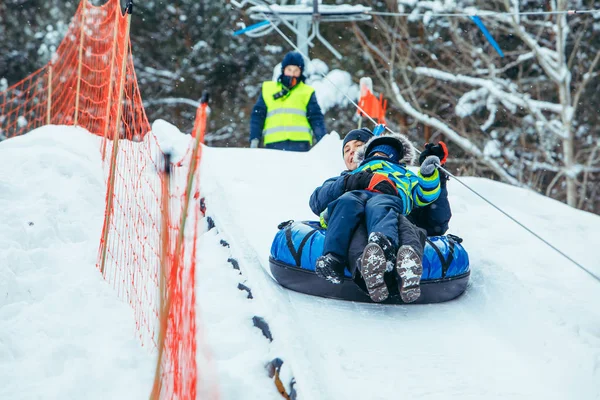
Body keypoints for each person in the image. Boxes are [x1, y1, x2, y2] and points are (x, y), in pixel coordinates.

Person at [310, 132, 442, 303]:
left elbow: (425, 195)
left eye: (357, 146)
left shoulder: (404, 175)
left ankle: (386, 247)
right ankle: (334, 258)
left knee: (383, 209)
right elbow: (319, 200)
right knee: (347, 202)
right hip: (357, 202)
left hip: (388, 202)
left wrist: (429, 175)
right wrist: (347, 188)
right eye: (346, 149)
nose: (351, 152)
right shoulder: (351, 175)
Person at [249, 51, 327, 152]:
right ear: (283, 70)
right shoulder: (268, 89)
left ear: (301, 71)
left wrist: (322, 140)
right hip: (273, 144)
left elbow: (316, 118)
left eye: (296, 70)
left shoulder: (307, 91)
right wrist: (255, 138)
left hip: (300, 144)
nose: (292, 74)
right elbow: (258, 116)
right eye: (289, 69)